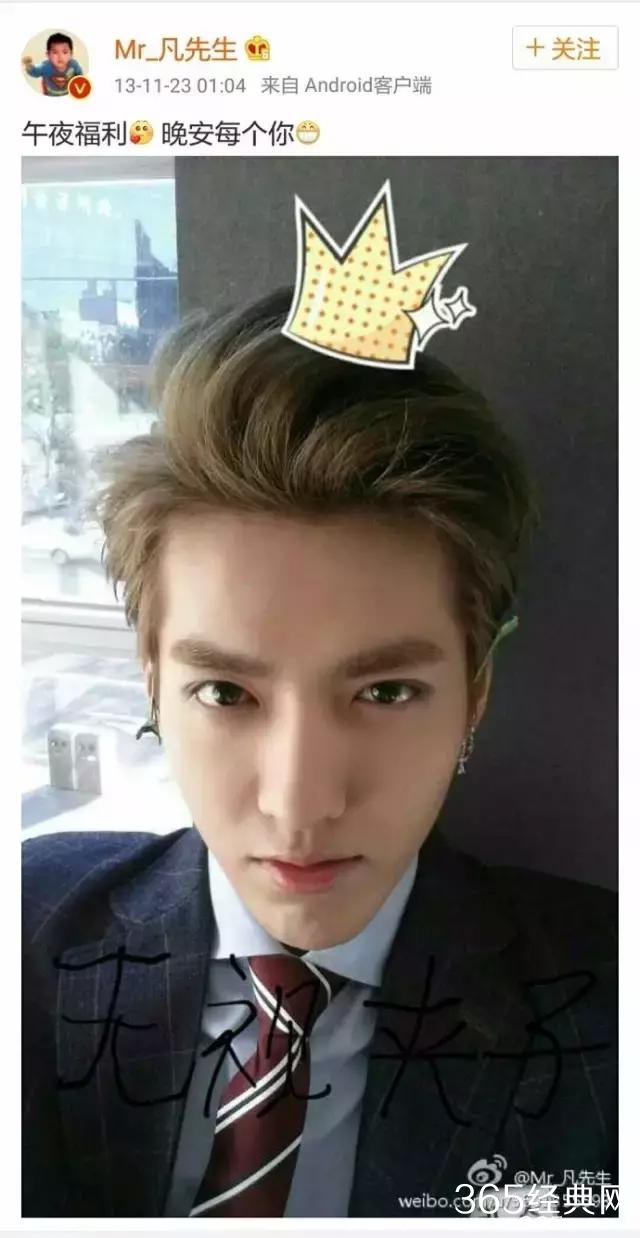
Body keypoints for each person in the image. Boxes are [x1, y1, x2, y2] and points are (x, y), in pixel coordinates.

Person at [22, 287, 617, 1218]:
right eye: (226, 693)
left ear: (476, 694)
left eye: (386, 692)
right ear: (152, 683)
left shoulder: (607, 1009)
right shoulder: (27, 932)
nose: (299, 805)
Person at [22, 32, 83, 97]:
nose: (60, 56)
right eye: (55, 52)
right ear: (48, 55)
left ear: (71, 54)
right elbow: (35, 72)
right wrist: (29, 66)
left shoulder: (73, 65)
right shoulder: (45, 67)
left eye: (65, 52)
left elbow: (79, 74)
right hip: (51, 94)